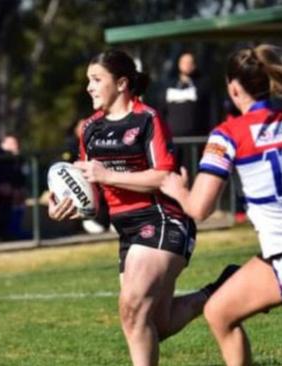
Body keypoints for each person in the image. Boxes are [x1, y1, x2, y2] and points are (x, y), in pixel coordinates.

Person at [48, 49, 236, 366]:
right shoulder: (91, 129)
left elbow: (163, 176)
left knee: (133, 310)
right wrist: (64, 204)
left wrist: (108, 174)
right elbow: (89, 187)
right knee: (154, 325)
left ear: (121, 83)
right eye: (88, 81)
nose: (89, 88)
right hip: (126, 229)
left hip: (164, 219)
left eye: (96, 80)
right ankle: (219, 291)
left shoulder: (147, 119)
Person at [160, 44, 282, 366]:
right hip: (275, 258)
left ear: (233, 87)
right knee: (218, 310)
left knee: (220, 314)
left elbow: (199, 209)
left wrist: (177, 189)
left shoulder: (228, 134)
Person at [163, 51, 212, 138]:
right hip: (173, 137)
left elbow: (209, 110)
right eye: (184, 62)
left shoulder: (203, 85)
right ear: (179, 64)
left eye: (190, 62)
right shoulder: (168, 85)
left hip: (196, 138)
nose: (187, 65)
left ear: (195, 65)